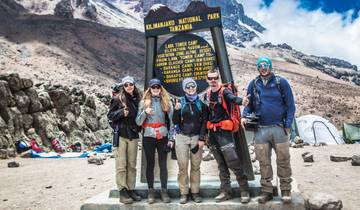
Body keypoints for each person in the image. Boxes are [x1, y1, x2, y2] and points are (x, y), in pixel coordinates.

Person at [241, 57, 295, 204]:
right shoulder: (254, 83)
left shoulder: (280, 82)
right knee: (263, 161)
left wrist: (288, 124)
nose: (263, 67)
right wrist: (244, 115)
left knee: (283, 160)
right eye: (260, 66)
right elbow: (248, 104)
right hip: (260, 130)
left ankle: (285, 190)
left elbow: (290, 105)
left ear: (270, 66)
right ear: (257, 68)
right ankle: (267, 191)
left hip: (279, 128)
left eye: (265, 65)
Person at [204, 69, 251, 203]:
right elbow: (207, 115)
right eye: (210, 78)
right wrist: (205, 135)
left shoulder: (224, 91)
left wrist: (242, 101)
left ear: (218, 78)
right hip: (212, 133)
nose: (213, 80)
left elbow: (233, 99)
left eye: (215, 78)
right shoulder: (207, 95)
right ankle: (225, 191)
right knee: (221, 164)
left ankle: (244, 190)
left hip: (224, 133)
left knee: (233, 161)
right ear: (206, 79)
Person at [136, 78, 174, 204]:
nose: (156, 89)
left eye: (158, 87)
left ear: (160, 88)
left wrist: (171, 138)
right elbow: (138, 122)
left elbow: (172, 121)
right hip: (148, 136)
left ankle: (164, 191)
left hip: (162, 136)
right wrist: (145, 113)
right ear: (150, 89)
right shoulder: (144, 103)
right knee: (150, 164)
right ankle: (150, 191)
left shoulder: (166, 102)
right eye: (153, 87)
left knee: (163, 165)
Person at [107, 76, 142, 204]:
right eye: (126, 85)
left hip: (133, 135)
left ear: (134, 85)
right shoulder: (117, 99)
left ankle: (131, 189)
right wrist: (122, 112)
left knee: (132, 165)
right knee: (121, 165)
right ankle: (122, 191)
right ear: (123, 86)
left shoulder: (137, 99)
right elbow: (110, 116)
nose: (128, 87)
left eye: (131, 84)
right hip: (121, 135)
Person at [172, 78, 208, 204]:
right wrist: (176, 110)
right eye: (188, 87)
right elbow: (175, 121)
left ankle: (195, 192)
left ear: (196, 87)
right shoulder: (180, 103)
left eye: (193, 86)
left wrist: (202, 138)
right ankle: (184, 192)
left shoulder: (201, 104)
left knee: (195, 166)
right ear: (184, 89)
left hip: (196, 137)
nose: (191, 89)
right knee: (182, 166)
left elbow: (204, 122)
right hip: (182, 137)